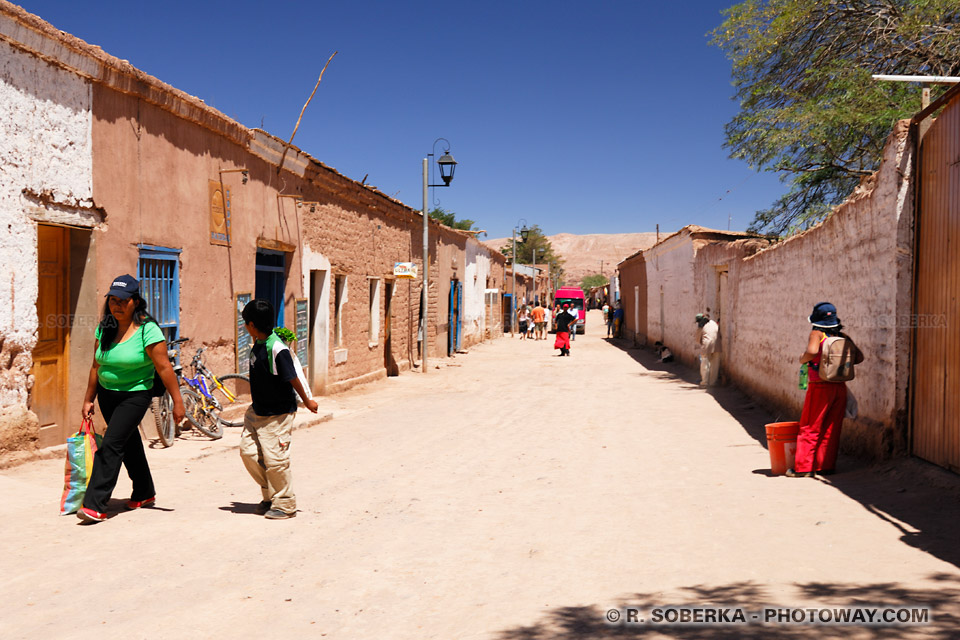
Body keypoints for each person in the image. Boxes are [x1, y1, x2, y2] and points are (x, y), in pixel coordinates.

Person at [78, 274, 184, 523]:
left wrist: (178, 401)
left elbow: (165, 368)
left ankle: (95, 504)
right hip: (107, 394)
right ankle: (144, 492)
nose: (116, 305)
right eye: (113, 300)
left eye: (122, 301)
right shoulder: (105, 327)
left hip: (135, 394)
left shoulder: (148, 330)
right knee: (128, 443)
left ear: (135, 302)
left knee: (112, 445)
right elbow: (96, 366)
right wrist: (88, 399)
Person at [240, 299, 319, 518]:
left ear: (253, 325)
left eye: (246, 323)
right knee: (249, 453)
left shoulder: (277, 348)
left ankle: (285, 504)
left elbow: (293, 377)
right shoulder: (258, 342)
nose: (245, 326)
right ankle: (270, 495)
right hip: (257, 411)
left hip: (278, 414)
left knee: (275, 461)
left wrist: (307, 400)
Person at [788, 302, 862, 478]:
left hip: (820, 386)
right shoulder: (842, 336)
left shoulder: (817, 334)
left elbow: (812, 352)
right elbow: (859, 357)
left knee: (810, 426)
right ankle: (825, 466)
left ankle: (804, 467)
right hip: (839, 387)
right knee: (831, 427)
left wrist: (802, 358)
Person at [695, 313, 720, 387]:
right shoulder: (714, 323)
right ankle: (713, 383)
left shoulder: (701, 326)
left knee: (705, 365)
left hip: (706, 346)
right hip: (718, 346)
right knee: (715, 365)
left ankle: (705, 383)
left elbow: (698, 339)